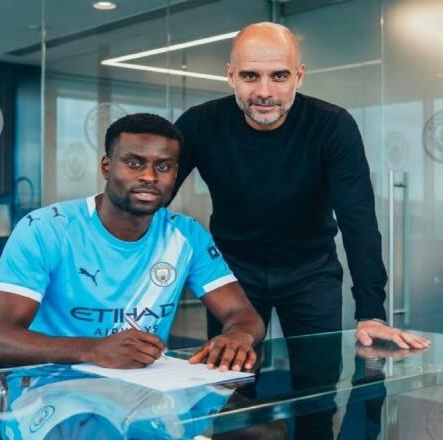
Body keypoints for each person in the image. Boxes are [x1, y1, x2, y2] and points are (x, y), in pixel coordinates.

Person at [174, 22, 429, 350]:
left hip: (310, 273)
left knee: (318, 376)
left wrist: (371, 313)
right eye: (250, 76)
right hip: (232, 272)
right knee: (231, 374)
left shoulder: (332, 126)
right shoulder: (200, 124)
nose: (264, 91)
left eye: (279, 76)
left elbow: (358, 221)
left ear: (299, 76)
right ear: (231, 75)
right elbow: (153, 195)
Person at [0, 113, 265, 371]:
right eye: (134, 163)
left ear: (176, 174)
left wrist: (238, 335)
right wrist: (94, 350)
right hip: (49, 385)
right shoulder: (45, 229)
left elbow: (241, 313)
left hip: (147, 389)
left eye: (163, 166)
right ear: (107, 167)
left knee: (255, 415)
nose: (149, 177)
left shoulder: (187, 235)